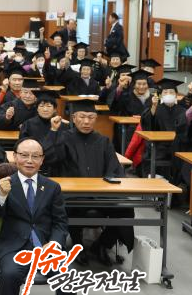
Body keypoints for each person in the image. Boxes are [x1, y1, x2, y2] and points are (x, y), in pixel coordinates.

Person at [0, 138, 75, 295]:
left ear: (42, 160)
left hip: (46, 247)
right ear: (15, 157)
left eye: (35, 156)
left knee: (69, 276)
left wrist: (55, 243)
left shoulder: (52, 187)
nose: (29, 160)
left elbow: (60, 222)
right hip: (14, 248)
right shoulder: (5, 184)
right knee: (9, 275)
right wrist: (2, 195)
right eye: (24, 155)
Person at [44, 99, 132, 266]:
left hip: (101, 195)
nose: (86, 121)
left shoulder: (103, 141)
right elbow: (50, 158)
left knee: (126, 209)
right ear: (74, 118)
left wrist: (106, 185)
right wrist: (54, 131)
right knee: (71, 207)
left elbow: (114, 169)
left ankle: (103, 245)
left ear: (96, 118)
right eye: (82, 117)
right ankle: (78, 246)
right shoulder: (63, 138)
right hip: (73, 195)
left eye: (91, 117)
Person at [140, 78, 188, 180]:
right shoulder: (156, 108)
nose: (168, 94)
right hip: (159, 146)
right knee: (153, 154)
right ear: (161, 95)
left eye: (171, 92)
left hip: (178, 146)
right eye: (165, 92)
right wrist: (153, 106)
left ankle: (178, 181)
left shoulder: (182, 111)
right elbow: (148, 124)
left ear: (176, 95)